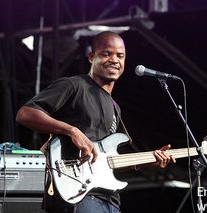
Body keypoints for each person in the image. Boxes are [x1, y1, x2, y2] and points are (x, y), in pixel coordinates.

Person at [16, 31, 176, 213]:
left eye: (120, 55)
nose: (114, 60)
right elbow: (25, 113)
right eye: (107, 54)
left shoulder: (115, 107)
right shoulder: (74, 85)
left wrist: (149, 161)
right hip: (78, 194)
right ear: (92, 57)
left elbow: (106, 161)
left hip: (110, 199)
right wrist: (72, 131)